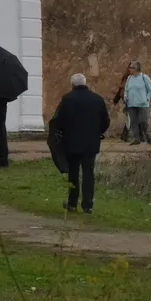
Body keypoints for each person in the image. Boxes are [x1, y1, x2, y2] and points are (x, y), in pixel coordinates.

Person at [51, 74, 110, 214]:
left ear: (72, 85)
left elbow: (59, 121)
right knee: (89, 174)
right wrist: (98, 132)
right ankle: (88, 205)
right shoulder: (97, 99)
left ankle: (72, 203)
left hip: (72, 142)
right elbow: (105, 121)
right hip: (91, 143)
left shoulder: (67, 99)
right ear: (85, 83)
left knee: (73, 173)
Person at [123, 61, 151, 145]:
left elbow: (150, 91)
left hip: (142, 104)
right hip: (131, 104)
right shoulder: (129, 78)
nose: (129, 69)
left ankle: (147, 136)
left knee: (143, 121)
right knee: (133, 122)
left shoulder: (144, 77)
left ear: (136, 69)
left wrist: (146, 99)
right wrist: (125, 96)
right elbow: (126, 89)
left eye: (131, 68)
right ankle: (136, 139)